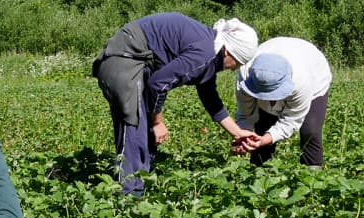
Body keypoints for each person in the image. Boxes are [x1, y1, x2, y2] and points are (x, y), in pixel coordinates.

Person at [93, 13, 259, 194]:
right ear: (228, 51)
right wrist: (158, 123)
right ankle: (127, 198)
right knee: (135, 131)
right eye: (237, 62)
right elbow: (158, 84)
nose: (234, 68)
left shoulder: (209, 51)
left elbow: (211, 99)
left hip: (138, 61)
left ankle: (138, 190)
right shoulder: (205, 52)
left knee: (146, 134)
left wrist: (237, 132)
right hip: (123, 58)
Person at [232, 37, 332, 168]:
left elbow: (292, 120)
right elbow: (245, 114)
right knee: (262, 127)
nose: (270, 100)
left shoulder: (301, 81)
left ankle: (313, 176)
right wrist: (244, 137)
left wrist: (266, 140)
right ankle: (260, 172)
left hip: (315, 75)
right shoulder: (245, 76)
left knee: (310, 130)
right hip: (276, 62)